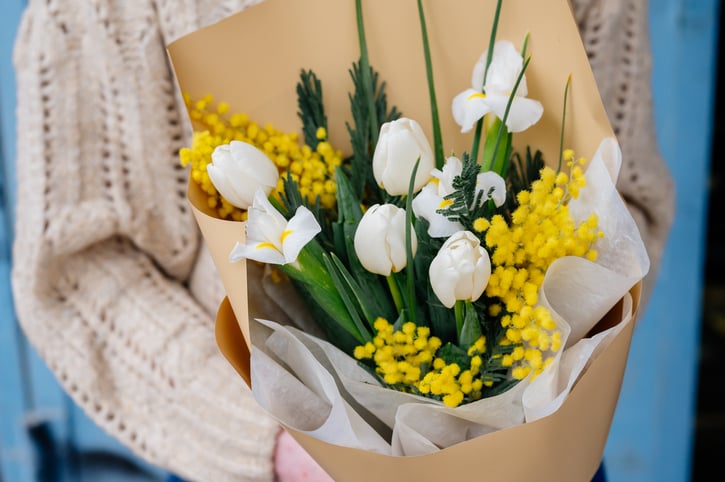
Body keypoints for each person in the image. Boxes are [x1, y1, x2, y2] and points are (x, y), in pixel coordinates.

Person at [10, 0, 673, 481]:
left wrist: (539, 380)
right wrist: (281, 444)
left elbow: (623, 194)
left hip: (538, 452)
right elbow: (78, 269)